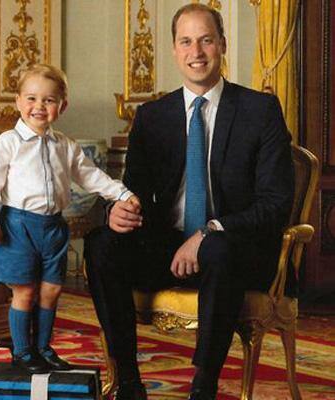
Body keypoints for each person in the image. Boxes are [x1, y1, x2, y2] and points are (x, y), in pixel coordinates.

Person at [84, 4, 294, 400]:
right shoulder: (152, 115)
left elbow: (275, 203)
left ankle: (203, 386)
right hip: (168, 248)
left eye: (206, 40)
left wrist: (209, 231)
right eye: (186, 41)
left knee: (218, 246)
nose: (196, 51)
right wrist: (120, 212)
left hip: (235, 251)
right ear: (174, 50)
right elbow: (136, 192)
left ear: (222, 45)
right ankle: (128, 381)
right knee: (100, 243)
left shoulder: (259, 111)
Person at [0, 64, 139, 374]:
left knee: (51, 290)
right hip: (18, 226)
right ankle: (22, 352)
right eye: (32, 99)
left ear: (61, 106)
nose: (39, 107)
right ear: (19, 102)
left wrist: (121, 193)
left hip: (53, 227)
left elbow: (90, 176)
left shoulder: (65, 145)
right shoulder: (6, 143)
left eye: (49, 100)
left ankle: (43, 348)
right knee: (24, 290)